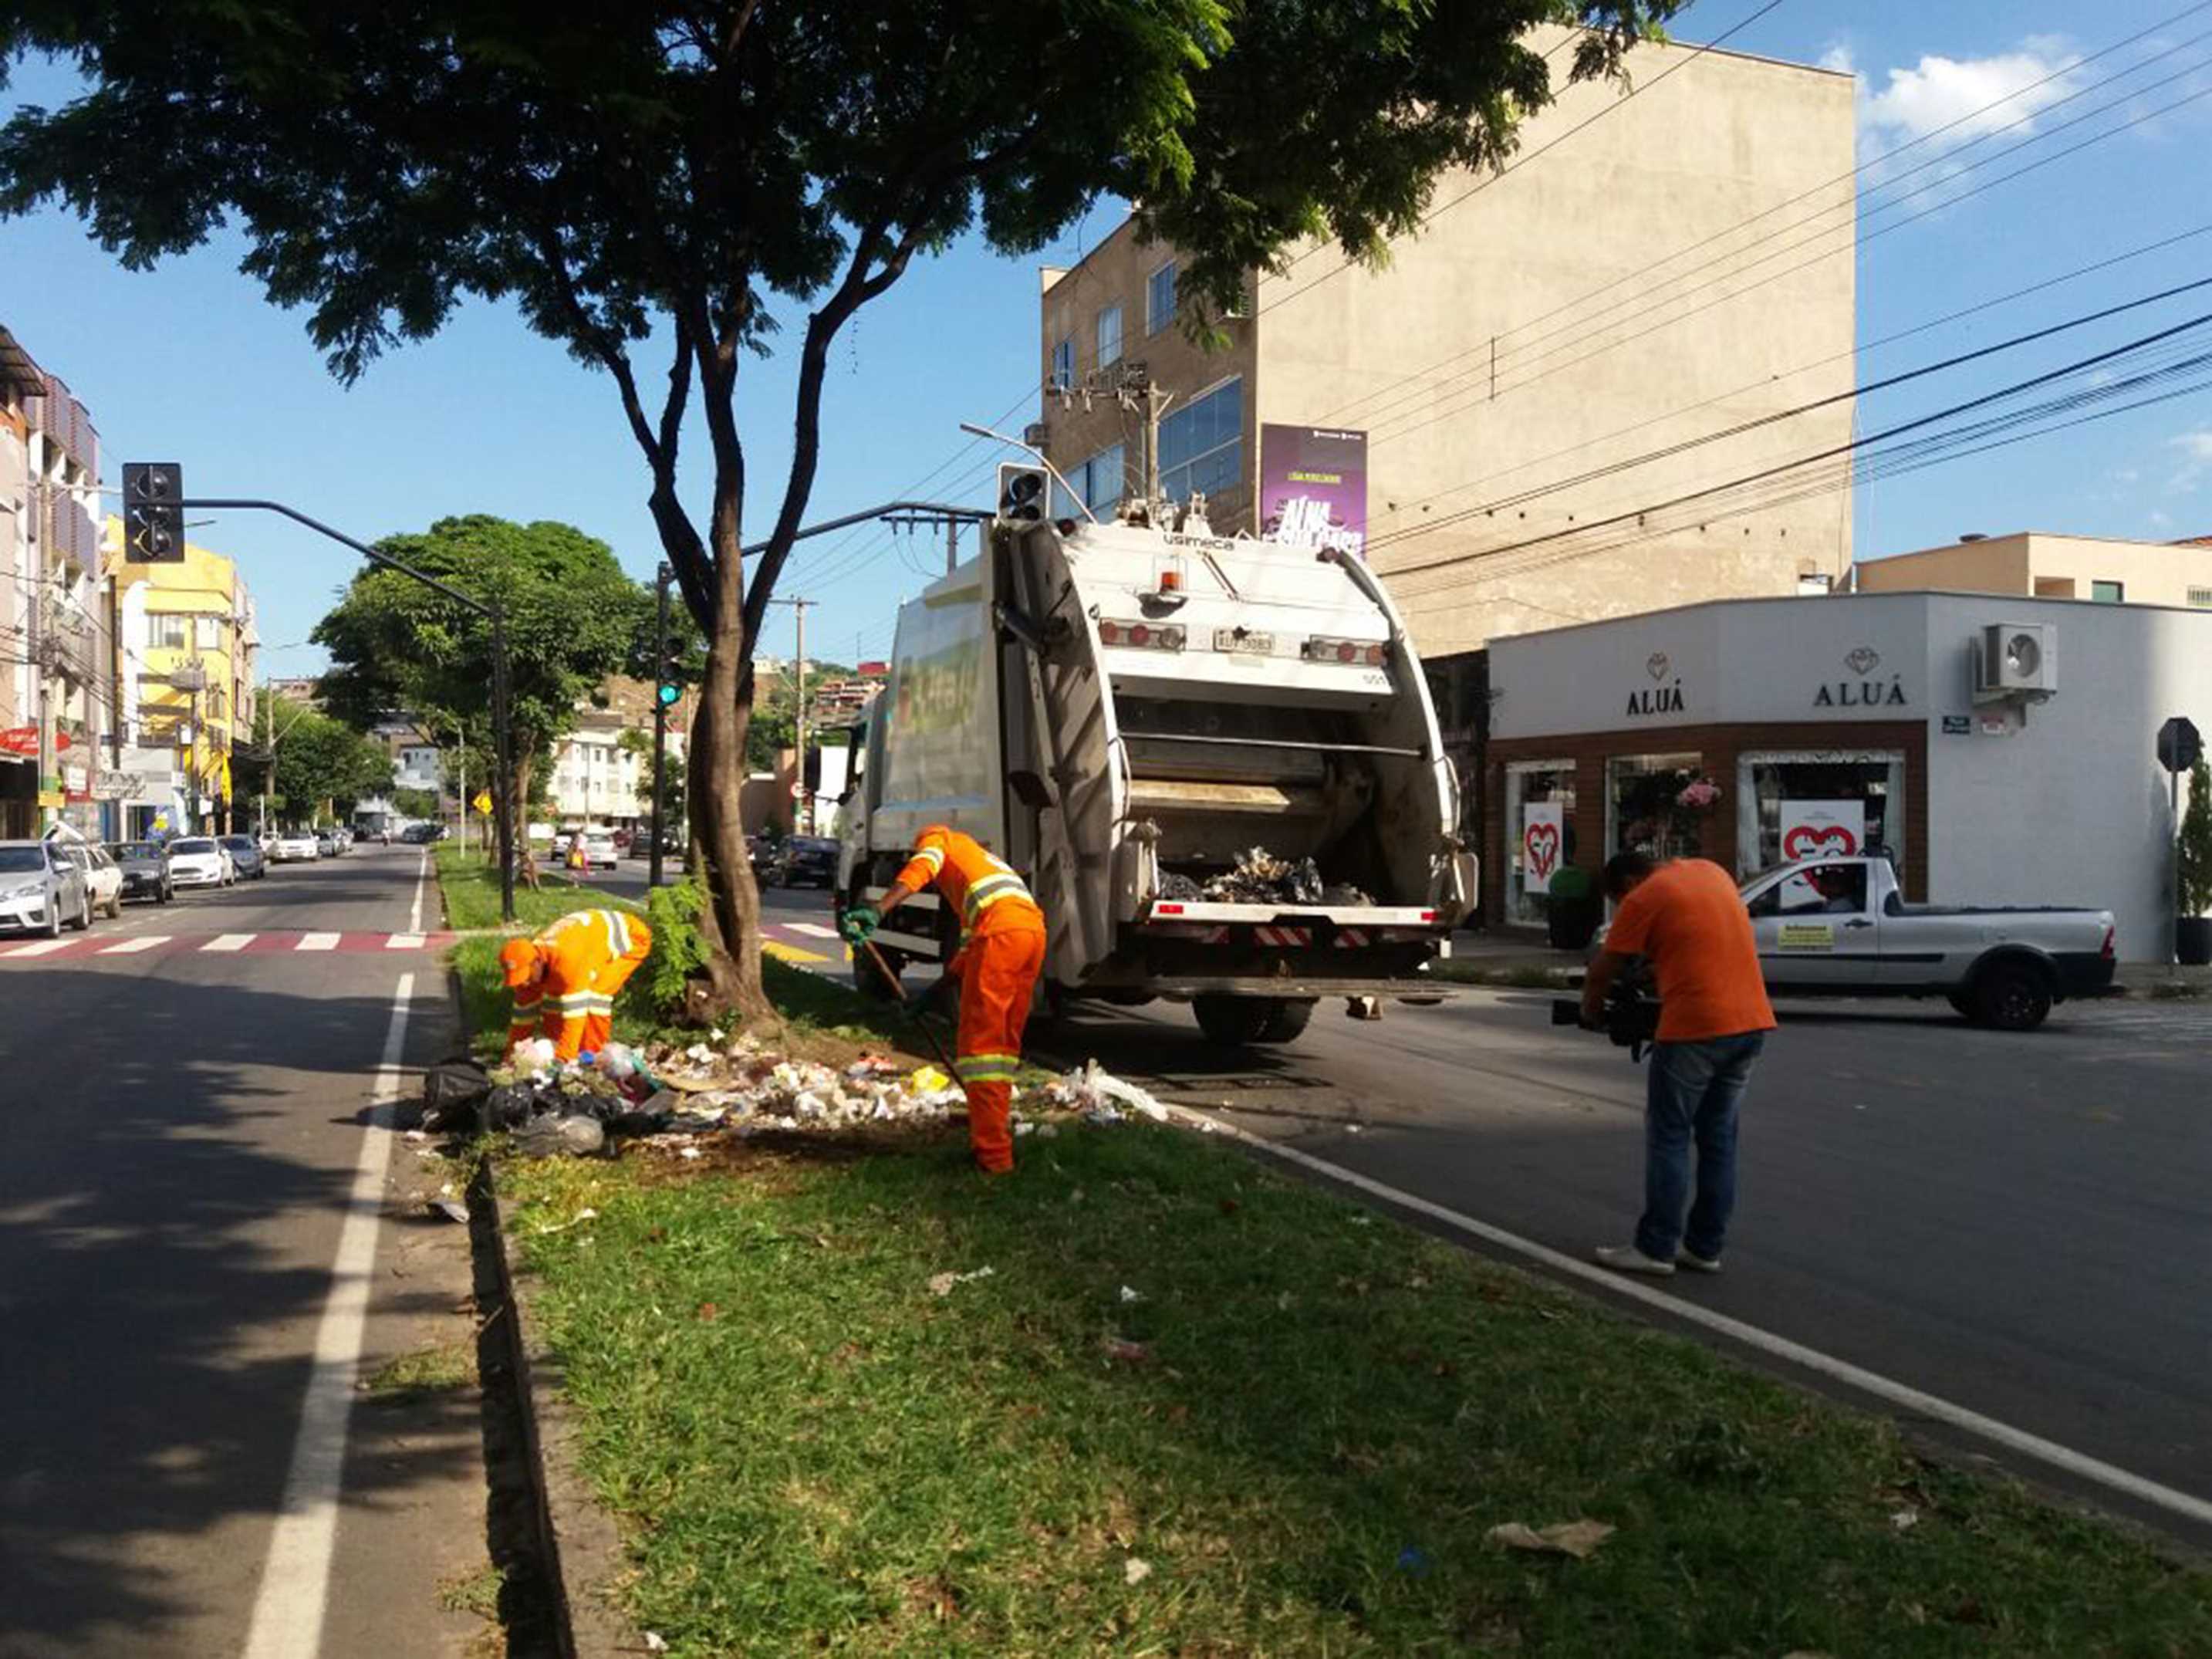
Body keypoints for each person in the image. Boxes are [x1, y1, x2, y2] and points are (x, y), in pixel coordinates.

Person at [1580, 850, 1775, 1276]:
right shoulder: (1712, 872)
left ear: (1627, 885)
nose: (1621, 909)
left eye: (1617, 900)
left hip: (1695, 1029)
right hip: (1751, 1024)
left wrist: (1591, 1013)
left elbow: (1601, 974)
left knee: (1669, 1135)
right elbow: (1696, 945)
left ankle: (1656, 1248)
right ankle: (1705, 1247)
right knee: (1718, 1139)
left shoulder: (1644, 897)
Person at [840, 825, 1046, 1175]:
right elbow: (969, 951)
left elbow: (923, 868)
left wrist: (878, 911)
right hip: (1030, 936)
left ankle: (994, 1158)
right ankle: (993, 1129)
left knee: (982, 1052)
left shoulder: (939, 840)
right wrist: (931, 997)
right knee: (1002, 1047)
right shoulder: (985, 867)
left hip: (1000, 935)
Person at [501, 907, 654, 1063]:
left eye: (526, 976)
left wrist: (564, 1060)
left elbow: (575, 1015)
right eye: (519, 978)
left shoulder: (567, 962)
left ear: (537, 962)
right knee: (554, 999)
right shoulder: (530, 962)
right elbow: (523, 1016)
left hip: (632, 938)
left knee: (596, 997)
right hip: (587, 941)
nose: (525, 982)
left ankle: (594, 1056)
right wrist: (511, 1056)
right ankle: (558, 1046)